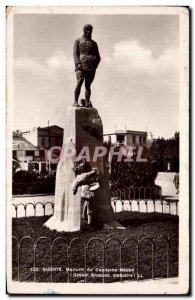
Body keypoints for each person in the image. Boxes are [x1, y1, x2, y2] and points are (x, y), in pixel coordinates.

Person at [73, 24, 101, 107]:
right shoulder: (78, 41)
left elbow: (98, 57)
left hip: (91, 68)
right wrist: (78, 64)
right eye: (87, 30)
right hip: (81, 66)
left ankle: (87, 101)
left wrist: (95, 65)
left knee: (88, 86)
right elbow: (75, 54)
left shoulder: (94, 43)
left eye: (90, 30)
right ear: (84, 31)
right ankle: (75, 101)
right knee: (79, 83)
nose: (89, 31)